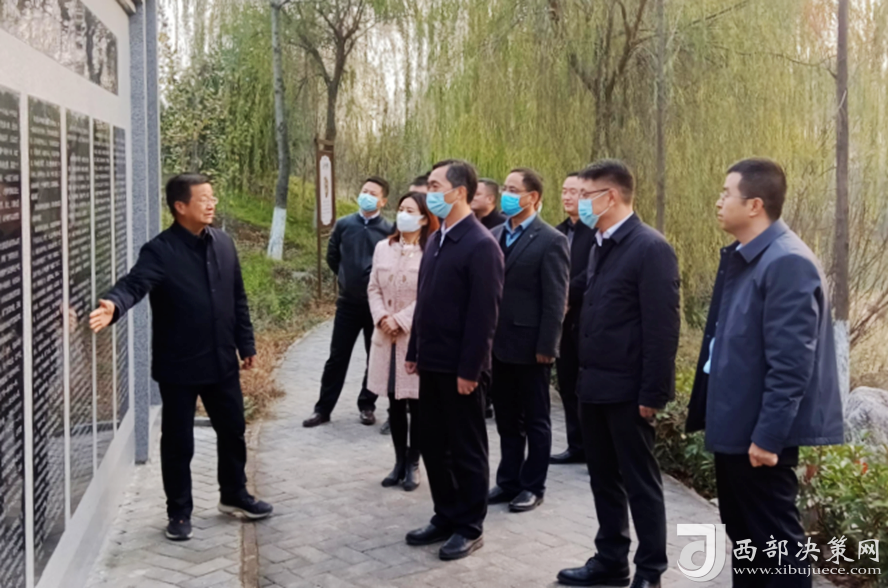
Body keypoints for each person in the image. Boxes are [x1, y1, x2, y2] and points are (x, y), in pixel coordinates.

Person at [89, 174, 273, 542]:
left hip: (221, 360)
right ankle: (179, 512)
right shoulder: (160, 251)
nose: (211, 203)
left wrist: (246, 344)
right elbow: (134, 284)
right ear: (180, 206)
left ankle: (234, 494)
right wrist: (114, 305)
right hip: (179, 366)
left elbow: (237, 298)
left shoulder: (223, 243)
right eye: (203, 198)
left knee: (233, 430)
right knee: (178, 443)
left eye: (212, 197)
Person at [686, 158, 843, 587]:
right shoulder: (750, 258)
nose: (718, 202)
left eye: (726, 194)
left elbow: (791, 363)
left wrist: (768, 437)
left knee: (777, 545)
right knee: (748, 539)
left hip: (758, 435)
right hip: (738, 425)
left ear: (754, 205)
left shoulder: (786, 261)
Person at [557, 160, 680, 588]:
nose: (578, 203)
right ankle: (611, 559)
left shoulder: (650, 248)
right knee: (603, 478)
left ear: (610, 197)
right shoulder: (600, 244)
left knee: (640, 483)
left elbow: (662, 328)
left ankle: (650, 570)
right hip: (593, 383)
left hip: (628, 391)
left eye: (585, 195)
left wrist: (653, 393)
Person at [404, 159, 504, 561]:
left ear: (459, 192)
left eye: (435, 186)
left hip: (461, 369)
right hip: (431, 362)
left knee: (466, 448)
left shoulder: (481, 245)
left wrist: (470, 369)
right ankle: (445, 514)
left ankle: (469, 525)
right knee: (433, 443)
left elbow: (484, 316)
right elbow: (425, 301)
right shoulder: (436, 238)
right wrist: (414, 350)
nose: (428, 193)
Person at [487, 168, 570, 513]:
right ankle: (508, 480)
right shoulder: (493, 235)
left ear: (532, 197)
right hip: (497, 345)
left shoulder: (551, 240)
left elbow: (555, 299)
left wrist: (547, 346)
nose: (506, 195)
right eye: (504, 188)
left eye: (513, 189)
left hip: (531, 347)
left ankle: (533, 485)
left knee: (536, 419)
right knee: (507, 419)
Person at [303, 177, 393, 428]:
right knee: (337, 357)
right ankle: (323, 409)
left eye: (373, 193)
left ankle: (367, 405)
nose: (366, 196)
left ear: (383, 201)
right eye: (364, 191)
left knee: (374, 357)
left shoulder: (389, 229)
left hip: (376, 306)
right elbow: (332, 257)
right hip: (347, 304)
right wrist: (346, 277)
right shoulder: (344, 224)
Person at [367, 192, 439, 491]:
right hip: (386, 336)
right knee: (394, 403)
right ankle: (398, 461)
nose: (403, 215)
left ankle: (413, 462)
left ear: (423, 218)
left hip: (414, 337)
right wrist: (382, 317)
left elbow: (430, 294)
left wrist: (400, 320)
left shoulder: (431, 250)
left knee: (417, 403)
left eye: (410, 210)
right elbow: (373, 287)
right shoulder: (383, 247)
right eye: (401, 209)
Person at [551, 172, 595, 465]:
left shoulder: (596, 233)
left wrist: (565, 295)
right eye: (565, 191)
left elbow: (592, 272)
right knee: (566, 383)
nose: (567, 196)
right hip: (560, 321)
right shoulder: (557, 232)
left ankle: (594, 449)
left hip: (584, 317)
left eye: (575, 192)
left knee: (585, 385)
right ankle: (575, 444)